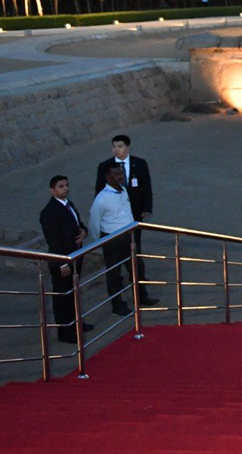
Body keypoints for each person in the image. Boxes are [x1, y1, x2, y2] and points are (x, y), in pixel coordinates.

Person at [94, 135, 158, 306]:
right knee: (116, 264)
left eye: (120, 146)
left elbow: (147, 186)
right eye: (114, 146)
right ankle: (121, 294)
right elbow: (98, 196)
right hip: (113, 226)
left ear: (127, 148)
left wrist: (147, 207)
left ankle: (140, 288)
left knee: (136, 254)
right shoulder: (104, 167)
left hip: (133, 217)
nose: (117, 149)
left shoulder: (140, 163)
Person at [38, 175, 93, 343]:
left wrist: (84, 231)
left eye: (66, 185)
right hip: (63, 260)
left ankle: (76, 323)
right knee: (62, 296)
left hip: (75, 256)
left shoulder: (70, 205)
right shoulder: (49, 212)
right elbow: (53, 240)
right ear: (52, 190)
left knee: (73, 292)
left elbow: (78, 224)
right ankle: (65, 332)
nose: (65, 188)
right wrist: (62, 262)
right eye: (61, 186)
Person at [89, 163, 138, 316]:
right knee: (114, 274)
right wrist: (98, 243)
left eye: (121, 173)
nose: (120, 177)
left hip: (128, 236)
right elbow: (94, 223)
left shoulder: (123, 191)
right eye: (116, 174)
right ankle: (117, 306)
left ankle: (141, 296)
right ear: (108, 177)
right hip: (113, 240)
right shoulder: (101, 199)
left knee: (136, 268)